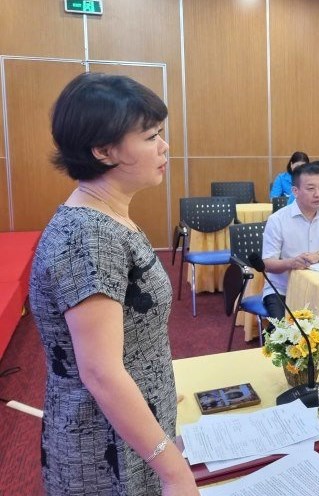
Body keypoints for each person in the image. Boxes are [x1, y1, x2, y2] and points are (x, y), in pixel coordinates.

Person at [28, 73, 198, 495]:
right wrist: (174, 470)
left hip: (130, 432)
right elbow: (101, 373)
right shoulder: (90, 236)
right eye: (151, 136)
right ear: (103, 151)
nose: (165, 147)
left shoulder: (110, 218)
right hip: (104, 448)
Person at [262, 163, 319, 319]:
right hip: (284, 290)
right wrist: (291, 263)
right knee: (286, 336)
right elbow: (268, 264)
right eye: (311, 189)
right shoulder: (277, 220)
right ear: (295, 191)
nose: (318, 194)